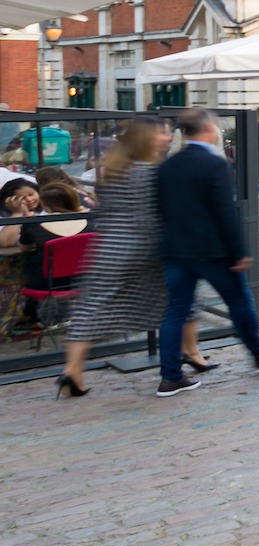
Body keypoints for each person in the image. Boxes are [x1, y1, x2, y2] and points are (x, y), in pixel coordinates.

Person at [155, 108, 259, 398]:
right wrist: (240, 251)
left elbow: (161, 209)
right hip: (212, 249)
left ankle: (170, 375)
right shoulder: (213, 163)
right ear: (209, 128)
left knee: (175, 311)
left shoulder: (167, 165)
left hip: (176, 248)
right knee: (238, 300)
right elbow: (224, 211)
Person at [59, 119, 192, 397]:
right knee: (178, 300)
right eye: (160, 133)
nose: (166, 137)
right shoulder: (152, 172)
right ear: (145, 140)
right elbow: (157, 214)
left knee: (90, 307)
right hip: (144, 247)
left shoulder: (113, 171)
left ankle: (72, 370)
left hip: (108, 246)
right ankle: (188, 354)